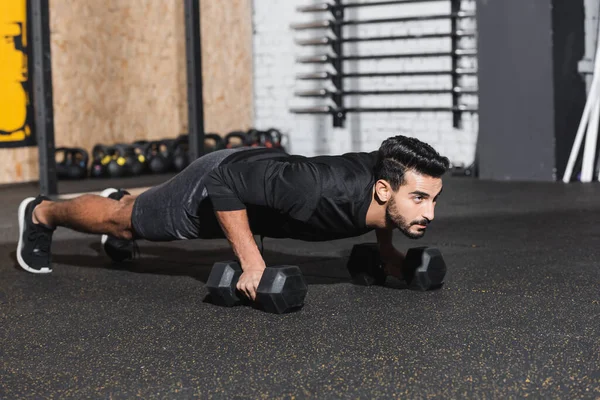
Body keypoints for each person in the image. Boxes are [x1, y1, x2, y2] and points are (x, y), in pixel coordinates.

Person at [17, 135, 448, 300]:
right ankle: (42, 213)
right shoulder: (315, 188)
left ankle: (127, 199)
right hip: (223, 180)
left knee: (132, 210)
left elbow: (390, 206)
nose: (429, 213)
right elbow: (225, 182)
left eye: (433, 199)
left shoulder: (391, 183)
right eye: (420, 199)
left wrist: (388, 251)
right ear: (383, 190)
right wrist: (253, 261)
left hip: (264, 181)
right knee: (124, 223)